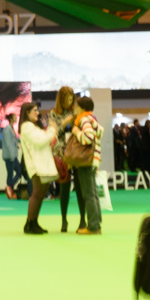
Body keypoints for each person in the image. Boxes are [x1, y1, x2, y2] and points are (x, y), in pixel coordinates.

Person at [65, 95, 102, 234]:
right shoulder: (92, 119)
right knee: (93, 194)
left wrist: (76, 131)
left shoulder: (84, 120)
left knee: (89, 195)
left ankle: (93, 226)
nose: (75, 108)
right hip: (93, 159)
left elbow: (88, 138)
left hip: (86, 160)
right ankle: (96, 223)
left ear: (82, 108)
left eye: (77, 106)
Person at [20, 107, 58, 233]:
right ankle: (30, 223)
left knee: (41, 194)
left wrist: (50, 133)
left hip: (42, 164)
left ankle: (33, 222)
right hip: (37, 165)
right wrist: (52, 130)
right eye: (35, 110)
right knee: (37, 194)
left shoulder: (33, 127)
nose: (38, 113)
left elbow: (43, 140)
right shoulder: (27, 126)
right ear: (27, 112)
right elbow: (40, 141)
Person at [49, 86, 78, 231]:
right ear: (61, 99)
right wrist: (64, 123)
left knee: (80, 188)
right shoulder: (53, 114)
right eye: (67, 99)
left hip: (76, 153)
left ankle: (83, 221)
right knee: (64, 188)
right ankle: (64, 220)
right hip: (61, 155)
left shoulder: (75, 113)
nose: (70, 102)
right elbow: (53, 134)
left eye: (71, 99)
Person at [0, 101, 24, 199]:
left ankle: (10, 188)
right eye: (15, 117)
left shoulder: (12, 128)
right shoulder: (7, 130)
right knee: (10, 174)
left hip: (13, 155)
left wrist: (18, 144)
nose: (16, 118)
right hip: (10, 156)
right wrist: (12, 155)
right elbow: (8, 144)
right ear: (11, 118)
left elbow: (13, 141)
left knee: (19, 172)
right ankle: (10, 189)